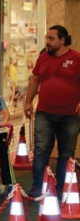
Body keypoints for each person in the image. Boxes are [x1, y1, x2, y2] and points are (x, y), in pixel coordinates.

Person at [24, 25, 80, 199]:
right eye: (46, 38)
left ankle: (63, 189)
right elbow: (35, 80)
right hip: (45, 113)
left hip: (70, 115)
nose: (47, 42)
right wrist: (28, 101)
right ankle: (37, 187)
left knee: (66, 153)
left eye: (51, 39)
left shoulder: (77, 58)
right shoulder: (43, 58)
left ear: (62, 40)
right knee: (41, 150)